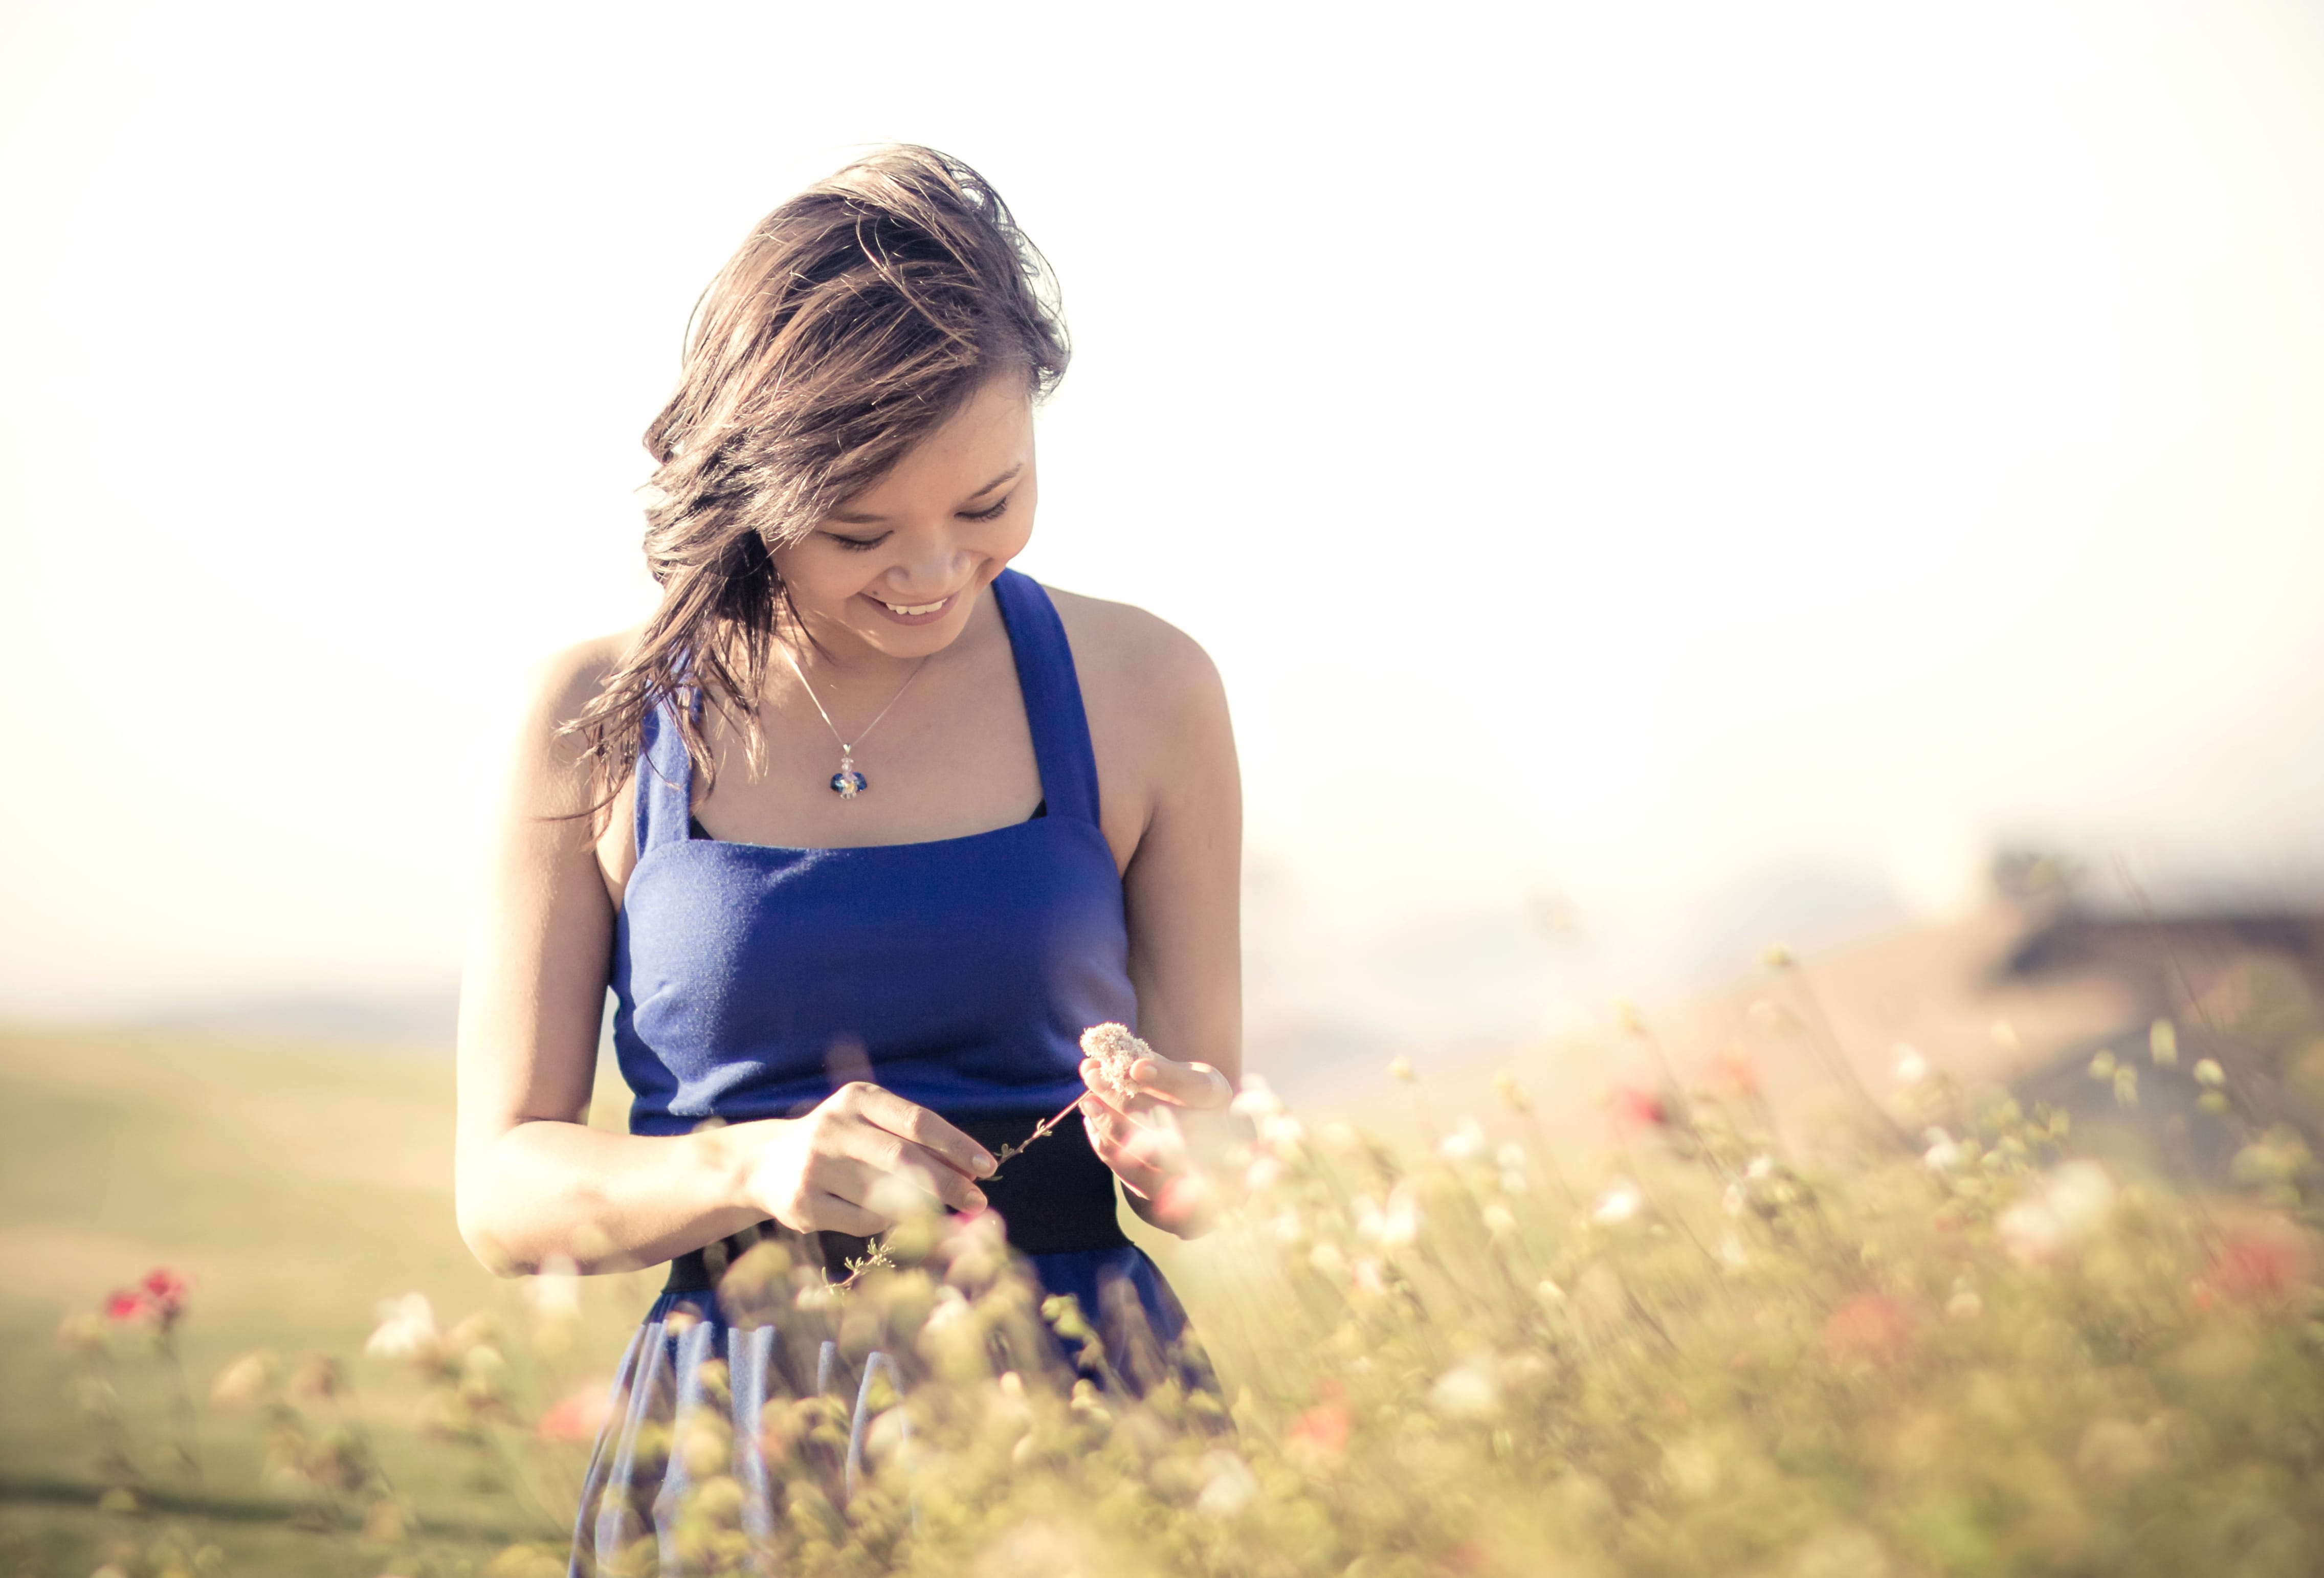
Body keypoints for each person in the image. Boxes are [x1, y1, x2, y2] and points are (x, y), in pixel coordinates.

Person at [450, 146, 1241, 1569]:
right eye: (859, 527)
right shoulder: (597, 716)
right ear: (751, 479)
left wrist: (1192, 1138)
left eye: (989, 505)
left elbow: (1220, 1158)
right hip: (735, 1446)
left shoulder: (1151, 688)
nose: (932, 571)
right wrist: (748, 1168)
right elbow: (502, 1194)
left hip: (1086, 1438)